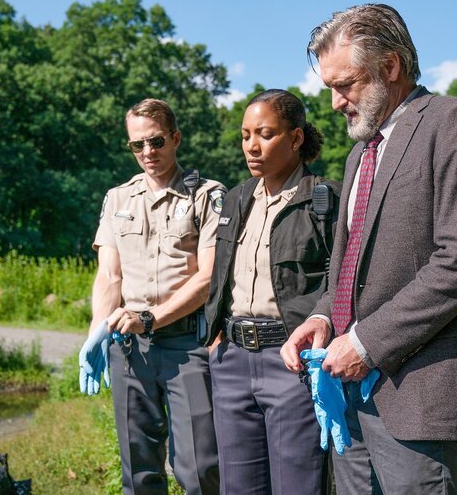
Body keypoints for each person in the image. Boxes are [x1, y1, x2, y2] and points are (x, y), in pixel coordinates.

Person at [280, 3, 457, 494]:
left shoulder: (452, 123)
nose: (336, 102)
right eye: (330, 89)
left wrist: (366, 344)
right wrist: (322, 318)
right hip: (350, 395)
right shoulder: (359, 153)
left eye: (346, 85)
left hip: (420, 396)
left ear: (390, 67)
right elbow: (346, 271)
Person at [81, 98, 223, 494]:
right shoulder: (118, 198)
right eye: (137, 145)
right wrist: (97, 330)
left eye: (156, 141)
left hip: (186, 345)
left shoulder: (207, 196)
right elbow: (110, 275)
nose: (147, 152)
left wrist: (151, 317)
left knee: (198, 468)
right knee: (138, 469)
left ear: (175, 138)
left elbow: (208, 277)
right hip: (129, 349)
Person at [203, 89, 341, 494]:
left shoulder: (325, 200)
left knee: (298, 485)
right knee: (238, 486)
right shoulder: (235, 198)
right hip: (230, 361)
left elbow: (341, 281)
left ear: (296, 138)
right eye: (246, 135)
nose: (252, 146)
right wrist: (214, 338)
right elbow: (219, 275)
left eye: (265, 134)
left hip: (290, 362)